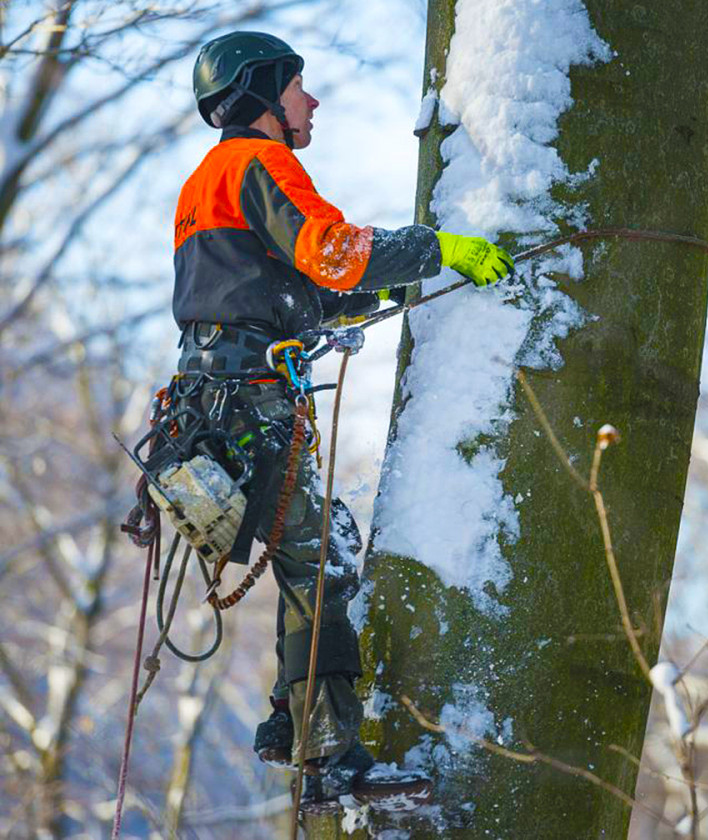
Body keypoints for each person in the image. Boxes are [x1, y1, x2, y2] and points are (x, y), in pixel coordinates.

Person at [174, 30, 513, 813]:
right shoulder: (259, 163)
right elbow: (331, 251)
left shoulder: (208, 183)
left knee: (316, 554)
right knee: (322, 558)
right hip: (248, 398)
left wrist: (384, 293)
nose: (311, 100)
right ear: (262, 95)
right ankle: (329, 753)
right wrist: (438, 249)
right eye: (298, 87)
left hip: (213, 401)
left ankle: (293, 719)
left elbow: (296, 291)